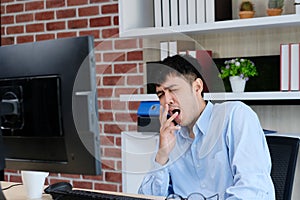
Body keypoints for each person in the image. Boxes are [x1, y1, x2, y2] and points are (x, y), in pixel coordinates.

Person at [138, 54, 275, 199]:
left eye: (173, 90)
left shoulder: (234, 117)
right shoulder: (170, 137)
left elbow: (252, 191)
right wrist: (162, 154)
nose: (167, 101)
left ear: (197, 87)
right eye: (161, 94)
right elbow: (146, 197)